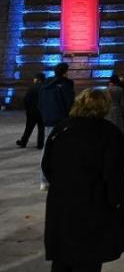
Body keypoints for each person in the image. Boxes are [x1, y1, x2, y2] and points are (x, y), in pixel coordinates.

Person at [42, 88, 124, 272]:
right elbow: (114, 174)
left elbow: (46, 166)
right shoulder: (108, 133)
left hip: (61, 204)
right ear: (103, 107)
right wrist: (116, 202)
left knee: (62, 256)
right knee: (88, 259)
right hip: (92, 204)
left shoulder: (61, 129)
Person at [38, 62, 75, 191]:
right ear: (65, 72)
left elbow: (40, 103)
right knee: (65, 149)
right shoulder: (65, 85)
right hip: (62, 121)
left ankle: (44, 180)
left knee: (47, 148)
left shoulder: (45, 86)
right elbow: (70, 104)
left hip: (48, 120)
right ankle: (64, 177)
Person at [17, 72, 46, 149]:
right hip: (42, 112)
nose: (34, 79)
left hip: (32, 112)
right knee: (41, 129)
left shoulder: (32, 88)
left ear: (37, 79)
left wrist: (27, 109)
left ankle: (23, 142)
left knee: (28, 128)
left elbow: (26, 100)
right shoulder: (45, 87)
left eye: (35, 78)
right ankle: (40, 145)